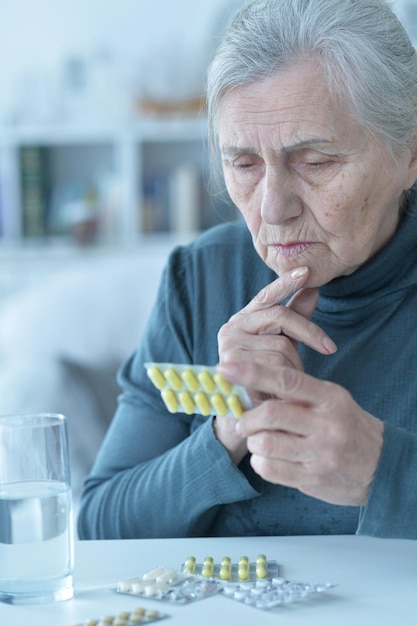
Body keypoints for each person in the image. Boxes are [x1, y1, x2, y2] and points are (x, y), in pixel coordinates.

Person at [77, 0, 417, 540]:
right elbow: (99, 529)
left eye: (316, 162)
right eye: (244, 165)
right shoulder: (203, 276)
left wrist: (387, 471)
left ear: (409, 151)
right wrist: (229, 425)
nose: (273, 207)